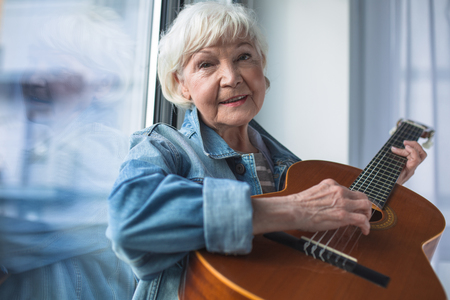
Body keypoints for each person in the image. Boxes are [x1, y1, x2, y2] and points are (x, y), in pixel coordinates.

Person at [106, 2, 428, 300]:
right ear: (181, 84)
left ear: (263, 67)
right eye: (206, 64)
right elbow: (130, 219)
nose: (232, 77)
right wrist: (293, 210)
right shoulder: (163, 147)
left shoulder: (293, 168)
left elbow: (331, 249)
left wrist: (385, 185)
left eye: (244, 57)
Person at [0, 5, 136, 299]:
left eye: (55, 69)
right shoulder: (41, 149)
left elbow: (10, 236)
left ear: (104, 84)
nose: (34, 78)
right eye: (33, 63)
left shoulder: (98, 152)